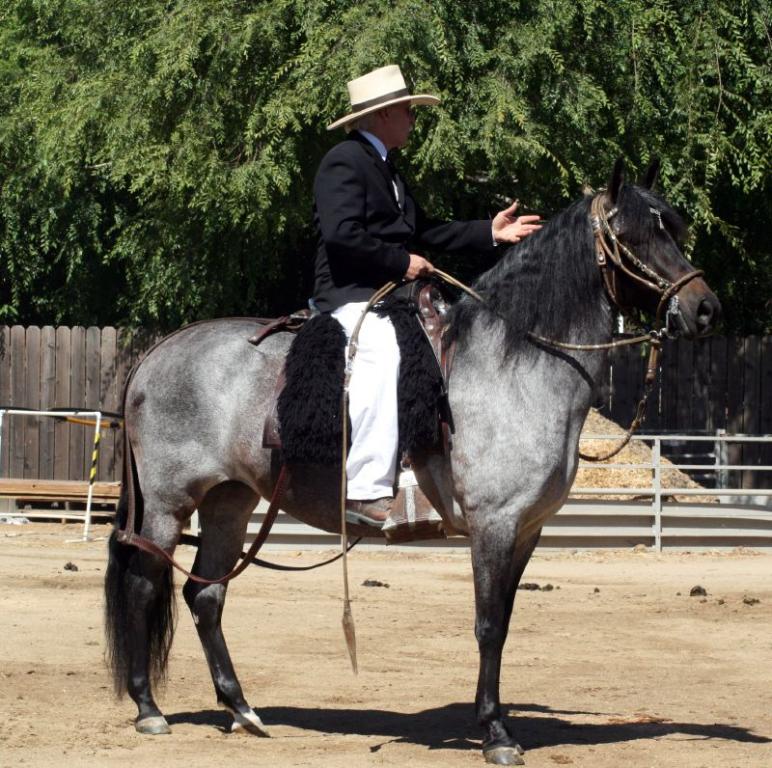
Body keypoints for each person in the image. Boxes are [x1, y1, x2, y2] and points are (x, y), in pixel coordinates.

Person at [312, 64, 542, 527]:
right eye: (407, 112)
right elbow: (340, 236)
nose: (413, 120)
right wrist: (401, 263)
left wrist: (490, 233)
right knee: (382, 353)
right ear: (382, 116)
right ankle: (365, 488)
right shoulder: (343, 161)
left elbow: (425, 230)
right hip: (348, 293)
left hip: (391, 293)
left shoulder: (387, 169)